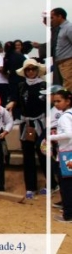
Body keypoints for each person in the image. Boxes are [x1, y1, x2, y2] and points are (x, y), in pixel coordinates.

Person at [6, 59, 47, 199]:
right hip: (27, 124)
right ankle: (30, 187)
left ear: (37, 70)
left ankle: (51, 184)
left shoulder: (44, 85)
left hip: (41, 124)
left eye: (33, 69)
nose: (30, 72)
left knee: (44, 153)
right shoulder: (21, 86)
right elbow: (15, 98)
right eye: (28, 69)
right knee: (28, 155)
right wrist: (12, 103)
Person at [49, 88, 72, 222]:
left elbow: (69, 134)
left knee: (66, 184)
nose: (56, 104)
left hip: (67, 155)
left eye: (59, 101)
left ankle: (68, 214)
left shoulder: (64, 117)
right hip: (68, 153)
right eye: (54, 102)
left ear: (67, 101)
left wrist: (52, 137)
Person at [52, 8, 72, 90]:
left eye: (52, 17)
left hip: (68, 62)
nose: (51, 20)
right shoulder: (61, 28)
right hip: (62, 63)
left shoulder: (69, 27)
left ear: (60, 16)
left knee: (69, 87)